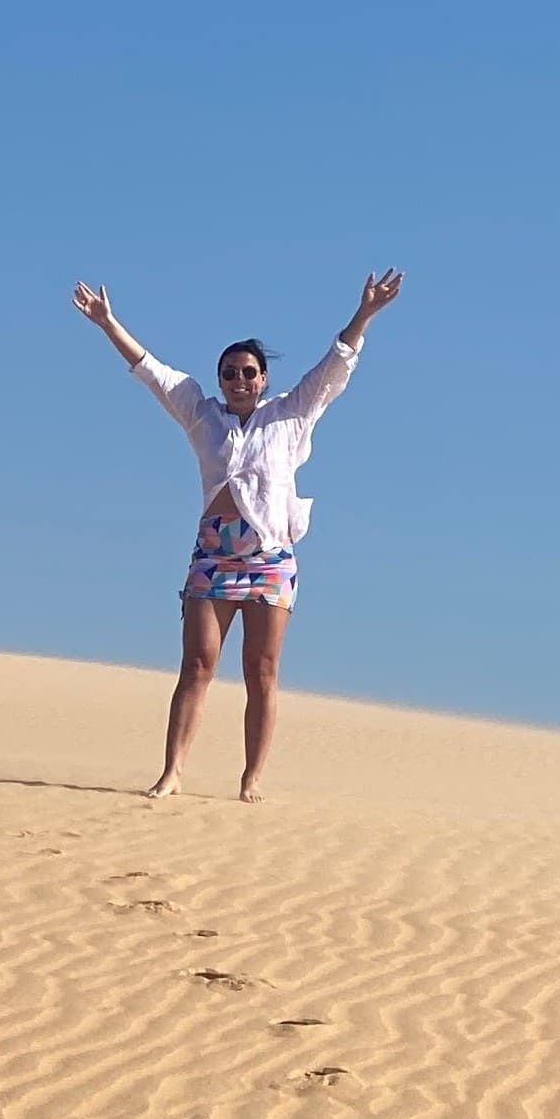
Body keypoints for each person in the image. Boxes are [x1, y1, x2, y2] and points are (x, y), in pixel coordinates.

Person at [70, 271, 404, 801]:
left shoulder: (292, 413)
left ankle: (251, 779)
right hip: (213, 556)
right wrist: (109, 323)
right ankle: (172, 772)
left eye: (249, 372)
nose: (239, 380)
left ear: (264, 378)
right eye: (230, 373)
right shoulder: (202, 414)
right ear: (220, 379)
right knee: (198, 662)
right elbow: (151, 371)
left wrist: (364, 314)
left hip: (270, 557)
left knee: (261, 671)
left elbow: (336, 365)